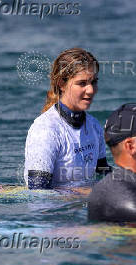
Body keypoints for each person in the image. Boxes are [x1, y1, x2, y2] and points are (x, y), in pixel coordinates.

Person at [24, 48, 109, 190]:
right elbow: (38, 194)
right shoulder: (45, 130)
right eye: (82, 83)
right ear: (61, 84)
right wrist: (84, 195)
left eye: (93, 82)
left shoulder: (94, 125)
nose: (91, 90)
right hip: (52, 211)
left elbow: (103, 174)